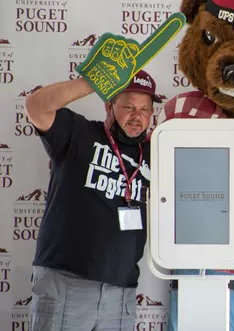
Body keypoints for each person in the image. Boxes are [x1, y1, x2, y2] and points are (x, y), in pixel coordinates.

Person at [25, 70, 162, 331]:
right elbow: (35, 106)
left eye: (146, 109)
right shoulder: (78, 133)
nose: (138, 116)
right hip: (66, 283)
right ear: (108, 105)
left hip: (121, 293)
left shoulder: (155, 151)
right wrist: (95, 80)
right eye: (129, 107)